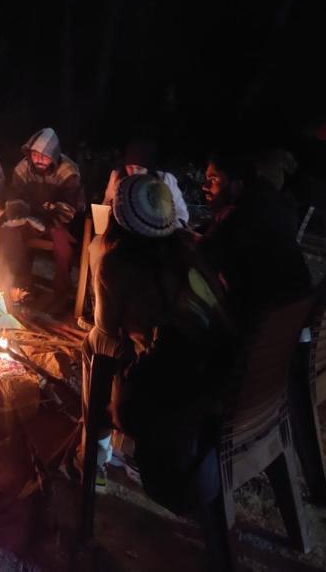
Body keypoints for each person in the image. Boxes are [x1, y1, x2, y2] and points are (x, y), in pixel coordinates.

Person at [81, 173, 231, 511]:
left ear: (119, 217)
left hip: (166, 392)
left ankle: (95, 454)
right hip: (212, 373)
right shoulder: (190, 247)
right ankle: (108, 448)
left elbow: (106, 329)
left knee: (93, 344)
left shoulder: (115, 259)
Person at [198, 149, 312, 328]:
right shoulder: (275, 204)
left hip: (253, 330)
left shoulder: (240, 215)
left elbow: (201, 253)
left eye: (213, 179)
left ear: (237, 184)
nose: (205, 186)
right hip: (288, 327)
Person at [87, 136, 189, 292]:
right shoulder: (117, 177)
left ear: (149, 166)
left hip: (153, 239)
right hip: (120, 235)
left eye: (139, 168)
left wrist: (161, 228)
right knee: (96, 246)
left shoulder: (164, 181)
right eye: (130, 167)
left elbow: (181, 215)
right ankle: (100, 294)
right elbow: (107, 203)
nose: (134, 171)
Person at [1, 127, 85, 306]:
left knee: (63, 245)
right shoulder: (23, 168)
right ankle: (23, 285)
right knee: (10, 233)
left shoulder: (68, 171)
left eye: (45, 155)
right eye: (35, 154)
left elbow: (68, 208)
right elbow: (15, 197)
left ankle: (61, 292)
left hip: (60, 221)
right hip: (30, 218)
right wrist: (20, 215)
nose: (39, 159)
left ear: (54, 156)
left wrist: (47, 219)